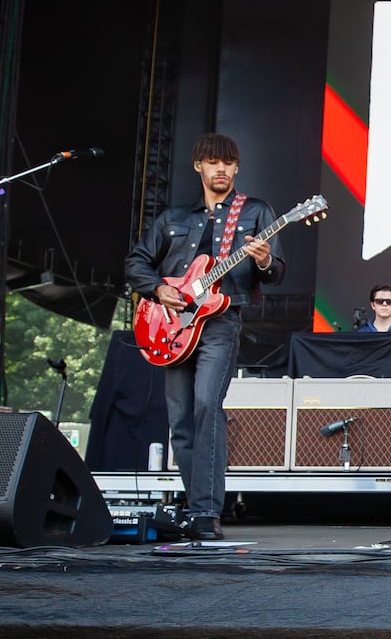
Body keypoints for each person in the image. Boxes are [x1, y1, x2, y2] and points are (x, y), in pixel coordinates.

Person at [124, 133, 284, 541]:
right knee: (179, 421)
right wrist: (159, 290)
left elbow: (277, 271)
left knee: (205, 406)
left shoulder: (255, 212)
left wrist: (265, 260)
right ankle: (197, 507)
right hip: (171, 326)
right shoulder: (173, 218)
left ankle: (206, 512)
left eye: (229, 164)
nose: (221, 170)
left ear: (237, 168)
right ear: (199, 166)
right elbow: (137, 261)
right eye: (213, 162)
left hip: (221, 321)